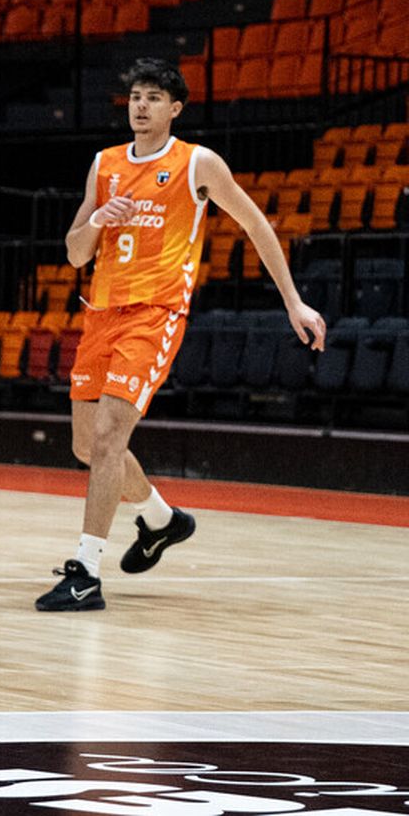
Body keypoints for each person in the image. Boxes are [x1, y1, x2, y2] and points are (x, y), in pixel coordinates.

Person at [37, 57, 326, 611]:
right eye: (135, 96)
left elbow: (255, 224)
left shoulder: (197, 164)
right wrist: (97, 220)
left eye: (152, 97)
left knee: (106, 441)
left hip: (155, 314)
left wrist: (293, 301)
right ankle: (160, 520)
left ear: (175, 109)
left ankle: (85, 573)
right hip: (100, 312)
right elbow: (75, 254)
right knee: (84, 443)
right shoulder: (105, 165)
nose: (140, 106)